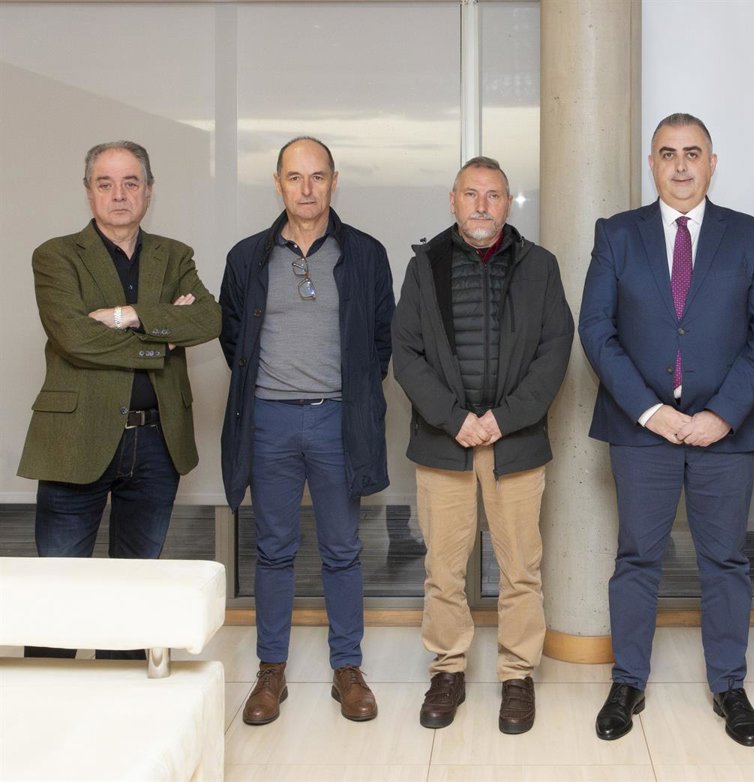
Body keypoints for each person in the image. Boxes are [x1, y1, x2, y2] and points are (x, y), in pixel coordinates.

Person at [579, 113, 754, 747]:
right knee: (637, 557)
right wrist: (651, 412)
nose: (681, 165)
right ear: (652, 163)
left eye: (693, 153)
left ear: (712, 163)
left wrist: (722, 413)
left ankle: (729, 685)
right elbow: (596, 329)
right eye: (668, 153)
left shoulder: (751, 235)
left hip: (725, 431)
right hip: (643, 430)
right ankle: (627, 682)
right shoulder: (617, 233)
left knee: (725, 560)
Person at [19, 141, 221, 659]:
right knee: (57, 595)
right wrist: (161, 339)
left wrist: (125, 315)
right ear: (88, 192)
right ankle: (53, 697)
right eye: (105, 183)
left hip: (155, 441)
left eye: (131, 182)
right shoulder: (56, 255)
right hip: (75, 438)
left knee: (135, 592)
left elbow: (207, 319)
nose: (119, 194)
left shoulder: (174, 255)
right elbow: (75, 338)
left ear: (149, 191)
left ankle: (127, 694)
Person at [392, 156, 573, 734]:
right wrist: (456, 420)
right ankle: (448, 669)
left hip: (513, 443)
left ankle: (517, 675)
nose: (481, 205)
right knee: (443, 569)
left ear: (507, 203)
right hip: (445, 441)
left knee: (521, 568)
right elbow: (406, 355)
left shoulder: (539, 266)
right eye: (470, 194)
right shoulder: (424, 266)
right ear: (453, 201)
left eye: (493, 195)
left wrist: (502, 419)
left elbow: (555, 351)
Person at [219, 136, 395, 725]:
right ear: (278, 184)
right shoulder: (248, 256)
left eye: (318, 176)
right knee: (274, 550)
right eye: (295, 177)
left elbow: (380, 339)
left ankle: (348, 669)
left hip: (336, 420)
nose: (307, 188)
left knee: (342, 549)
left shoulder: (365, 253)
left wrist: (353, 397)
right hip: (268, 420)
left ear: (334, 181)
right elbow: (234, 339)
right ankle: (271, 671)